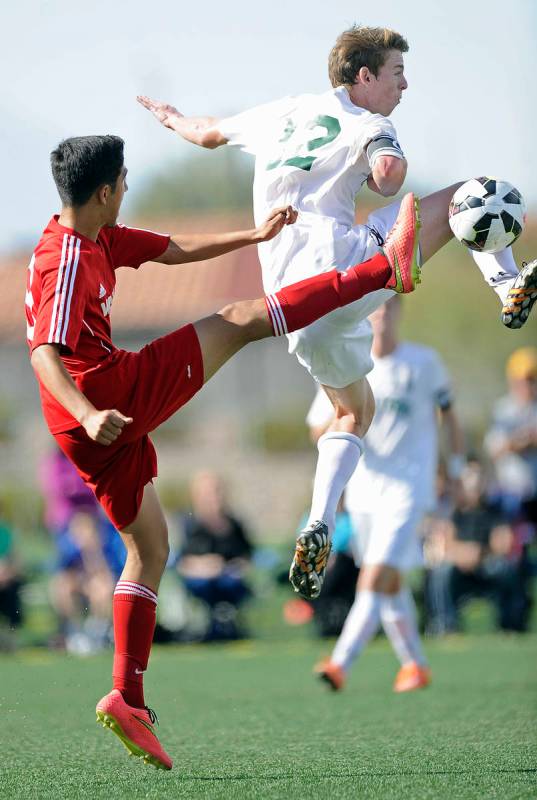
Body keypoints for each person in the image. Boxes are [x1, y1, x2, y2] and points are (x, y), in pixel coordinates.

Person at [26, 135, 419, 769]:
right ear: (103, 192)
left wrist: (255, 236)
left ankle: (127, 697)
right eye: (123, 182)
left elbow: (174, 250)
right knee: (242, 319)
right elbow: (44, 351)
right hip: (104, 399)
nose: (127, 190)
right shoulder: (66, 259)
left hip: (88, 426)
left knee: (150, 549)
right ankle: (384, 270)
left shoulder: (91, 232)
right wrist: (90, 410)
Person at [138, 23, 537, 602]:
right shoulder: (371, 121)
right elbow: (389, 174)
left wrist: (170, 117)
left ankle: (318, 519)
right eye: (397, 74)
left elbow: (203, 134)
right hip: (341, 266)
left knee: (352, 410)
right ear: (364, 76)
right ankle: (505, 285)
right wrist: (387, 165)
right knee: (466, 193)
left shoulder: (281, 112)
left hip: (288, 302)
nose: (405, 86)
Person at [305, 295, 465, 692]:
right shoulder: (349, 364)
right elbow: (317, 430)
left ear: (398, 312)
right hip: (364, 492)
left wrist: (457, 469)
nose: (382, 316)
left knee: (373, 576)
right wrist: (344, 418)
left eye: (389, 308)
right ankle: (415, 664)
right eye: (375, 309)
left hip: (410, 489)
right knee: (388, 582)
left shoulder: (423, 363)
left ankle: (340, 663)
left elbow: (450, 416)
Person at [178, 470, 253, 641]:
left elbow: (247, 556)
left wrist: (232, 567)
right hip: (200, 580)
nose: (213, 497)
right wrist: (203, 566)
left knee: (231, 584)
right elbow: (181, 561)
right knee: (203, 585)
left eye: (217, 491)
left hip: (229, 578)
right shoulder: (189, 524)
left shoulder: (234, 524)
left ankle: (227, 625)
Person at [484, 347, 537, 526]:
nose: (528, 386)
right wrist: (519, 442)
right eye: (523, 381)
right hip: (510, 494)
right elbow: (494, 449)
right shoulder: (503, 410)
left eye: (532, 380)